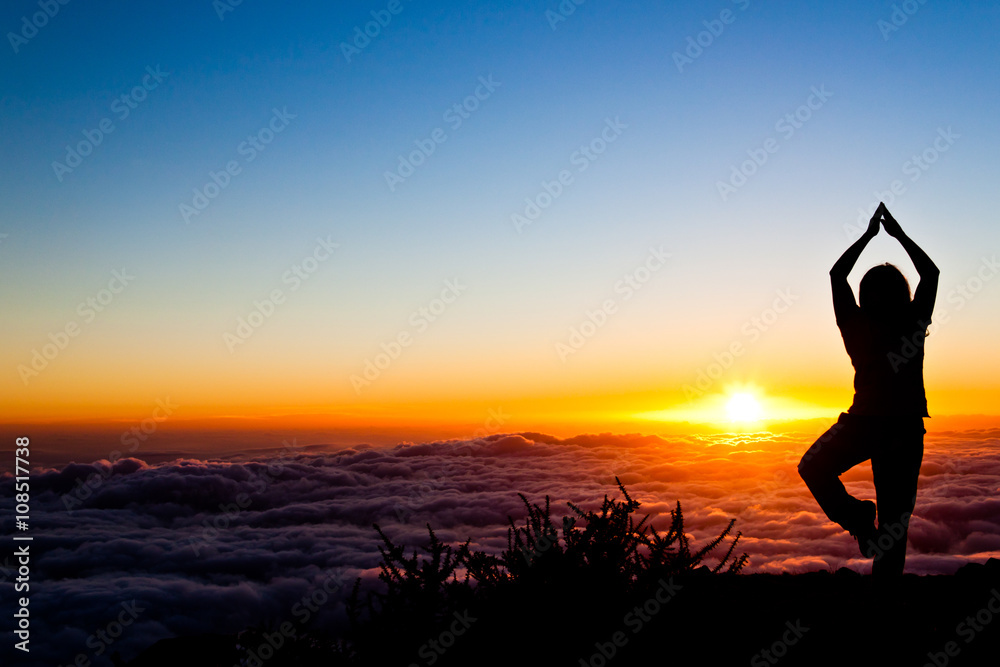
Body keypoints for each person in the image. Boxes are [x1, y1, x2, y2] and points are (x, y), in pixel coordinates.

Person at [798, 202, 939, 577]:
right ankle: (862, 523)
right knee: (891, 521)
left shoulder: (862, 321)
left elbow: (837, 274)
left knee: (891, 522)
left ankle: (881, 598)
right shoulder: (909, 321)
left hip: (881, 425)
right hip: (885, 425)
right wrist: (896, 236)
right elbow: (930, 273)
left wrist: (870, 236)